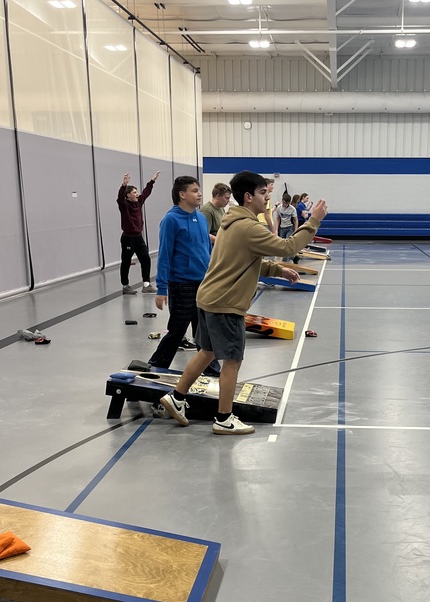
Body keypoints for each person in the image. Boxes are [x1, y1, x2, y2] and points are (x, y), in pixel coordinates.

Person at [159, 170, 328, 435]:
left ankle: (177, 397)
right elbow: (288, 247)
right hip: (225, 303)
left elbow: (244, 259)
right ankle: (224, 418)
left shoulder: (231, 220)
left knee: (207, 351)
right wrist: (314, 222)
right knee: (233, 360)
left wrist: (278, 271)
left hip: (208, 297)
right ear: (249, 197)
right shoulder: (248, 226)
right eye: (262, 193)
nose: (266, 197)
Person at [147, 176, 211, 370]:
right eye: (194, 190)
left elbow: (206, 249)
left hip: (203, 283)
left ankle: (209, 368)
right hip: (181, 285)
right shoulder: (171, 220)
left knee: (204, 330)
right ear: (182, 195)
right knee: (177, 330)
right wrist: (161, 289)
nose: (199, 194)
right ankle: (156, 366)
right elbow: (164, 255)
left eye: (199, 190)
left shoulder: (200, 217)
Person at [117, 172, 159, 294]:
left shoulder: (138, 202)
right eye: (134, 192)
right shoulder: (124, 205)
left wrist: (152, 181)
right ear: (128, 195)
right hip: (128, 238)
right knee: (126, 261)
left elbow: (146, 192)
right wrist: (124, 185)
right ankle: (125, 286)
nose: (137, 194)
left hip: (138, 237)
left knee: (145, 258)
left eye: (136, 192)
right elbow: (120, 197)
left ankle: (146, 284)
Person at [274, 193, 299, 262]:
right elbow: (278, 218)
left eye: (286, 203)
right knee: (282, 244)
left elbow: (295, 220)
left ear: (289, 202)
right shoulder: (279, 208)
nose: (285, 205)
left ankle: (285, 261)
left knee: (287, 243)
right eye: (284, 203)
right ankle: (293, 257)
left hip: (289, 228)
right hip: (282, 228)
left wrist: (296, 229)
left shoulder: (292, 209)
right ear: (282, 201)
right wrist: (276, 229)